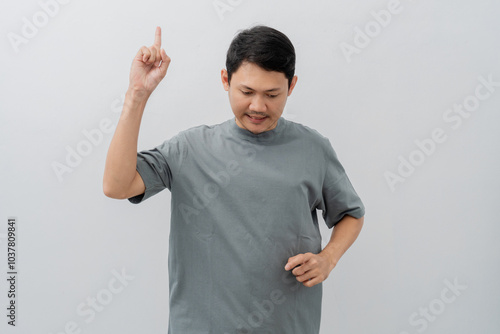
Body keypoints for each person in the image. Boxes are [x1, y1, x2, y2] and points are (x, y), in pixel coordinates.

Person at [103, 25, 365, 334]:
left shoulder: (313, 149)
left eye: (272, 94)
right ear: (226, 80)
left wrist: (328, 259)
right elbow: (117, 186)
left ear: (291, 86)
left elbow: (350, 213)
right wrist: (137, 95)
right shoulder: (190, 149)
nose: (258, 106)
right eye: (246, 92)